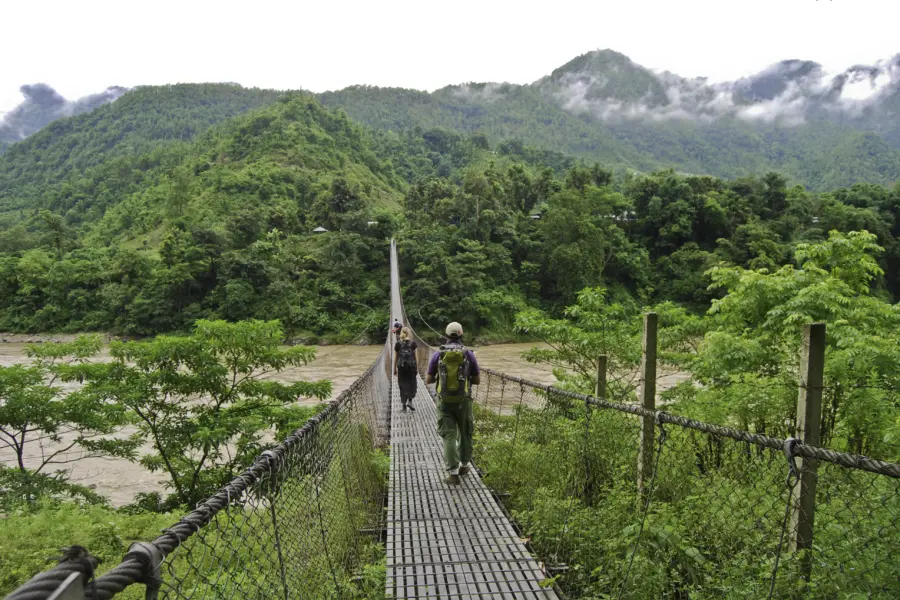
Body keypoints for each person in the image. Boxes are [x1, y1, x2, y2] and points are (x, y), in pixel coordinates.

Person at [425, 321, 480, 485]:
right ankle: (464, 465)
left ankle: (453, 474)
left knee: (449, 435)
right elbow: (477, 380)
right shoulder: (468, 354)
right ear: (461, 334)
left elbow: (428, 379)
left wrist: (441, 378)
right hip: (463, 401)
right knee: (465, 432)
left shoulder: (438, 354)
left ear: (446, 335)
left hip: (444, 401)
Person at [393, 328, 418, 412]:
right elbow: (416, 358)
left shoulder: (398, 344)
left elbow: (396, 357)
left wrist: (394, 369)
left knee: (402, 385)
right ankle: (410, 402)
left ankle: (404, 407)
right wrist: (416, 368)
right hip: (411, 368)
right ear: (409, 333)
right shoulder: (413, 343)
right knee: (411, 384)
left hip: (401, 368)